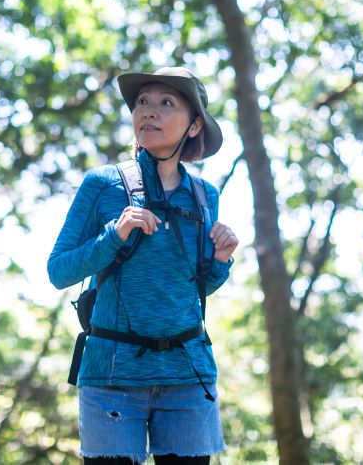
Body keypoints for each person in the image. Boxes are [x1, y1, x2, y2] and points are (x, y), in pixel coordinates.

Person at [47, 67, 239, 465]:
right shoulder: (102, 184)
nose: (148, 111)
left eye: (166, 103)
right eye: (142, 102)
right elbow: (59, 271)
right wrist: (113, 236)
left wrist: (221, 261)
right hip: (112, 377)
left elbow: (193, 286)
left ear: (194, 125)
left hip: (188, 374)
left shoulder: (205, 195)